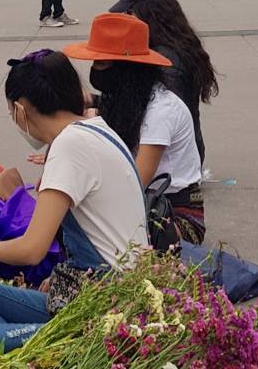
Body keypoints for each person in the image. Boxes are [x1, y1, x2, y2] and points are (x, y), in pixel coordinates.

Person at [0, 48, 148, 361]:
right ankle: (20, 338)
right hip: (97, 291)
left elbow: (32, 249)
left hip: (107, 306)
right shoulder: (97, 128)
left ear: (21, 110)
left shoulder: (69, 145)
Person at [65, 13, 204, 244]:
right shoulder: (128, 99)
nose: (94, 70)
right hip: (140, 202)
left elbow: (135, 181)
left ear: (125, 68)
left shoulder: (160, 110)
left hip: (173, 213)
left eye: (101, 63)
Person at [110, 0, 218, 165]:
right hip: (176, 151)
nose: (127, 18)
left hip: (172, 162)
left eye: (130, 13)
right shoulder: (175, 42)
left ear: (148, 13)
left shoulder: (168, 60)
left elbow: (159, 116)